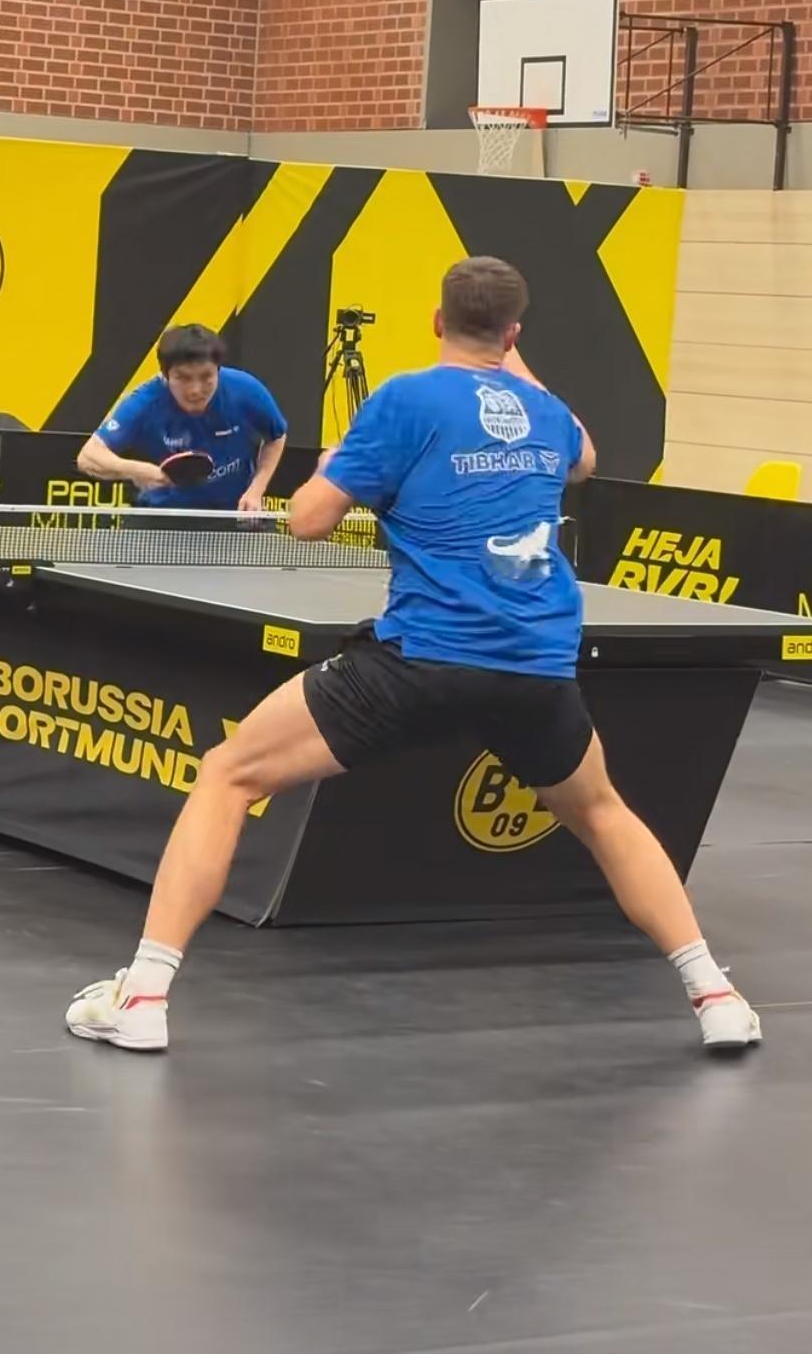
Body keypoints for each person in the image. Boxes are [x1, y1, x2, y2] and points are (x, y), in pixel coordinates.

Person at [65, 257, 760, 1056]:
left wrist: (331, 466)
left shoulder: (403, 399)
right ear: (513, 334)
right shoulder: (546, 413)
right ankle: (715, 995)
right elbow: (585, 458)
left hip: (419, 662)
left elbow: (307, 522)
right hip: (535, 667)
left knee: (227, 773)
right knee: (601, 812)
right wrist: (509, 361)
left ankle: (143, 997)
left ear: (435, 322)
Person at [76, 324, 288, 512]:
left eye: (206, 377)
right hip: (161, 515)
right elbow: (88, 457)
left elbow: (276, 436)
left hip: (233, 512)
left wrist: (256, 490)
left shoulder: (246, 390)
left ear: (218, 370)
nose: (195, 390)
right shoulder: (145, 402)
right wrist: (140, 471)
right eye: (183, 378)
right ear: (165, 375)